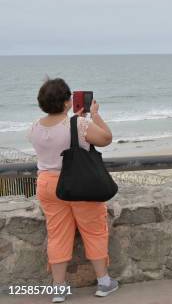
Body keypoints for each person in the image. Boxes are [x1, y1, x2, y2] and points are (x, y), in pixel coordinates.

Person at [28, 78, 118, 303]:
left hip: (47, 184)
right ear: (68, 102)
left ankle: (59, 288)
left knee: (57, 234)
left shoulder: (35, 127)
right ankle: (104, 282)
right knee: (94, 230)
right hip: (77, 182)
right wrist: (94, 115)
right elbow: (105, 138)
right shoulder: (78, 124)